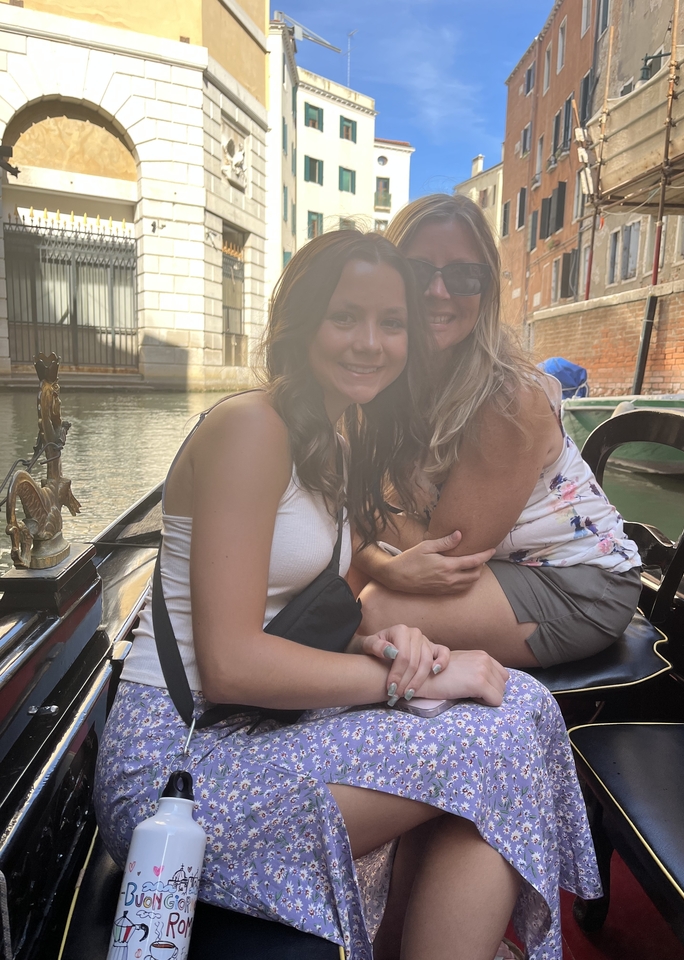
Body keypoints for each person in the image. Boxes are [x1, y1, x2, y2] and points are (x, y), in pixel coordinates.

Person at [95, 230, 600, 960]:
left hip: (251, 726)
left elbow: (296, 608)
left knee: (519, 706)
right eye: (345, 318)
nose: (371, 342)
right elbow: (232, 661)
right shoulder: (249, 428)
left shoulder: (333, 435)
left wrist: (379, 644)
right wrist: (406, 680)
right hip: (180, 766)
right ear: (301, 325)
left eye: (391, 324)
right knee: (491, 746)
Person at [354, 194, 642, 671]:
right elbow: (370, 516)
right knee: (337, 581)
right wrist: (368, 545)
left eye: (465, 276)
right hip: (502, 563)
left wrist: (354, 521)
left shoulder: (508, 401)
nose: (439, 292)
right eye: (418, 271)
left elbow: (444, 557)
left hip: (577, 584)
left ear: (486, 291)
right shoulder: (389, 381)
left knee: (373, 612)